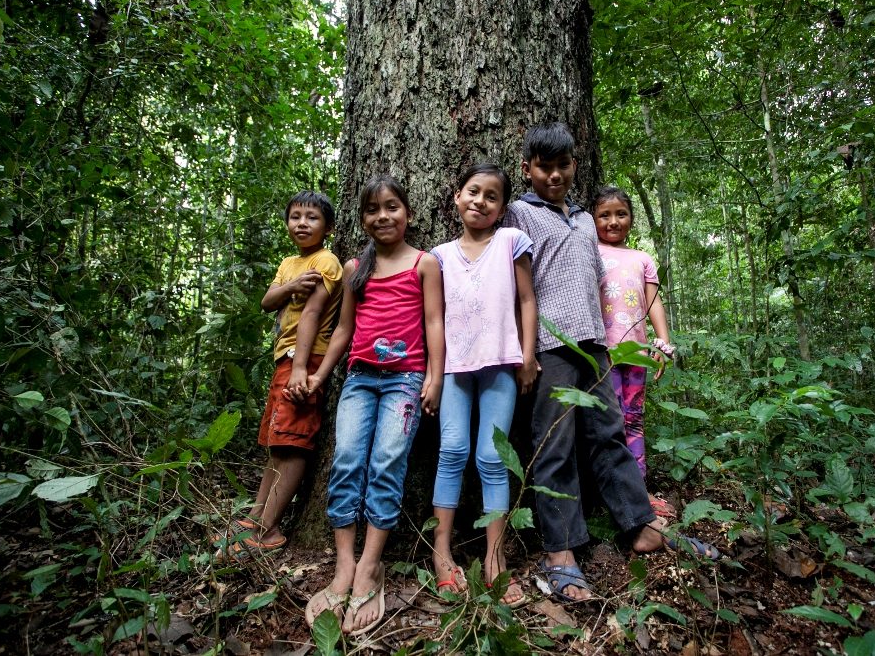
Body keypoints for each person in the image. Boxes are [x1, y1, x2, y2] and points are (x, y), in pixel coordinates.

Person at [502, 123, 717, 604]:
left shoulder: (583, 220)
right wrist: (526, 350)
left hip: (595, 344)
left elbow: (602, 280)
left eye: (562, 165)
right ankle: (560, 551)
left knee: (609, 434)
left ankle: (639, 525)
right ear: (527, 169)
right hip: (551, 345)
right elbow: (514, 286)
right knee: (553, 443)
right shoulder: (517, 213)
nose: (554, 175)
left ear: (575, 165)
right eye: (543, 166)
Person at [302, 174, 445, 635]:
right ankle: (344, 566)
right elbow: (343, 330)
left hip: (406, 381)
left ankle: (370, 566)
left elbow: (434, 322)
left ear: (407, 212)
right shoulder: (354, 268)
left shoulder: (424, 264)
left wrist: (435, 378)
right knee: (346, 460)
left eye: (391, 207)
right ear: (361, 218)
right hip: (360, 380)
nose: (382, 216)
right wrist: (321, 376)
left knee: (387, 461)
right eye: (372, 210)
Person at [429, 163, 538, 608]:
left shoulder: (511, 242)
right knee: (451, 451)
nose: (480, 201)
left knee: (492, 457)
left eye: (491, 196)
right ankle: (441, 555)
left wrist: (528, 355)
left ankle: (495, 560)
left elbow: (527, 299)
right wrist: (434, 376)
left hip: (501, 364)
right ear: (457, 196)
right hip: (455, 367)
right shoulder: (438, 256)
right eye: (473, 192)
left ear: (501, 208)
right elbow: (433, 319)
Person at [215, 191, 342, 559]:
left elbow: (313, 315)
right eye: (295, 216)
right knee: (277, 443)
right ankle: (256, 520)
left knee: (293, 442)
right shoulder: (289, 263)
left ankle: (268, 529)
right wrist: (288, 287)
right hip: (285, 359)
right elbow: (268, 301)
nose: (302, 223)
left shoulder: (326, 261)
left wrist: (301, 368)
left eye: (312, 218)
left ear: (329, 228)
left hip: (305, 359)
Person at [593, 186, 676, 488]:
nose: (613, 221)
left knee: (634, 419)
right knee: (609, 421)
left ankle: (637, 486)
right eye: (604, 215)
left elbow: (653, 302)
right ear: (594, 219)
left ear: (631, 218)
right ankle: (612, 488)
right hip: (603, 352)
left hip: (637, 353)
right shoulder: (591, 251)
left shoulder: (642, 259)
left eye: (621, 214)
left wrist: (664, 343)